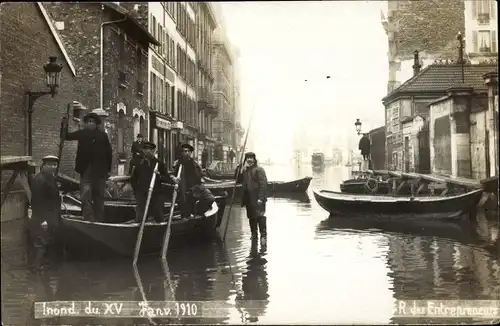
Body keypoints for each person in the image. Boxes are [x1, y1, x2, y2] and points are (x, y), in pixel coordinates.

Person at [63, 112, 112, 222]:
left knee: (99, 197)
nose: (90, 124)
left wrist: (108, 171)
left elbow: (109, 154)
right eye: (89, 121)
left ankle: (100, 220)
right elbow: (67, 137)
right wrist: (64, 125)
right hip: (86, 171)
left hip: (99, 173)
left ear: (96, 124)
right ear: (86, 123)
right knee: (85, 197)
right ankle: (88, 219)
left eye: (93, 122)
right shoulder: (82, 133)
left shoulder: (102, 136)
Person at [29, 155, 62, 265]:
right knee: (40, 244)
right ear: (44, 165)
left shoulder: (51, 178)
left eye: (55, 165)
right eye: (50, 165)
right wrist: (42, 220)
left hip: (51, 218)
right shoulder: (39, 180)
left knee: (47, 244)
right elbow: (37, 201)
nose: (53, 167)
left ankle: (45, 269)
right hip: (42, 219)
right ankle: (37, 270)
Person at [130, 141, 168, 222]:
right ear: (143, 151)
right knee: (141, 216)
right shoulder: (139, 164)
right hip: (142, 194)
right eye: (146, 149)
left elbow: (167, 179)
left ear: (154, 151)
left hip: (156, 194)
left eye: (150, 149)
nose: (148, 151)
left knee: (158, 213)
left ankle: (160, 230)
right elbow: (133, 179)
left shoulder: (159, 164)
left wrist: (160, 176)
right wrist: (137, 192)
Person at [235, 152, 268, 245]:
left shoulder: (259, 170)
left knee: (260, 216)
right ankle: (254, 236)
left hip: (257, 198)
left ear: (254, 160)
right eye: (247, 158)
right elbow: (237, 180)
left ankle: (263, 236)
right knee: (251, 217)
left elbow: (263, 185)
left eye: (251, 158)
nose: (249, 160)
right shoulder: (244, 170)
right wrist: (240, 169)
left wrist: (261, 198)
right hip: (248, 198)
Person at [170, 143, 203, 218]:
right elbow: (172, 174)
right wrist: (174, 178)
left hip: (192, 189)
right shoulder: (178, 163)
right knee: (183, 206)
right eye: (184, 151)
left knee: (192, 206)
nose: (186, 153)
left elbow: (199, 177)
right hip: (182, 189)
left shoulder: (195, 164)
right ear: (182, 153)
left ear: (191, 153)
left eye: (188, 151)